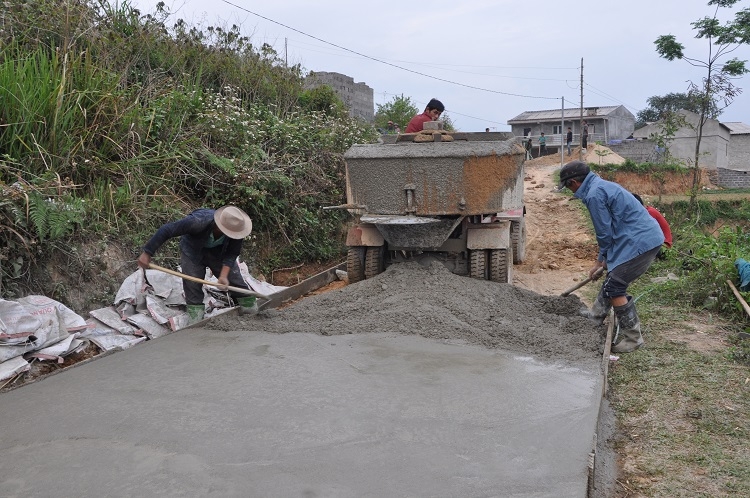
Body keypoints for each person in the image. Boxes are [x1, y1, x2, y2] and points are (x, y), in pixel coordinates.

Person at [558, 161, 664, 353]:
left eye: (568, 187)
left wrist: (599, 261)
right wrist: (607, 260)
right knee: (612, 278)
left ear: (574, 182)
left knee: (615, 286)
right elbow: (612, 228)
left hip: (640, 241)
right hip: (638, 237)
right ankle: (596, 316)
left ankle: (633, 338)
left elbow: (604, 233)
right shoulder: (601, 185)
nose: (570, 191)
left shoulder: (593, 195)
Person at [137, 206, 255, 322]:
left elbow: (232, 253)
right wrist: (148, 252)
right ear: (219, 226)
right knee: (192, 284)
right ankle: (196, 320)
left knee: (235, 281)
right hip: (192, 251)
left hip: (218, 253)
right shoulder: (198, 221)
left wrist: (223, 276)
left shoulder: (236, 230)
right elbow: (167, 230)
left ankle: (251, 312)